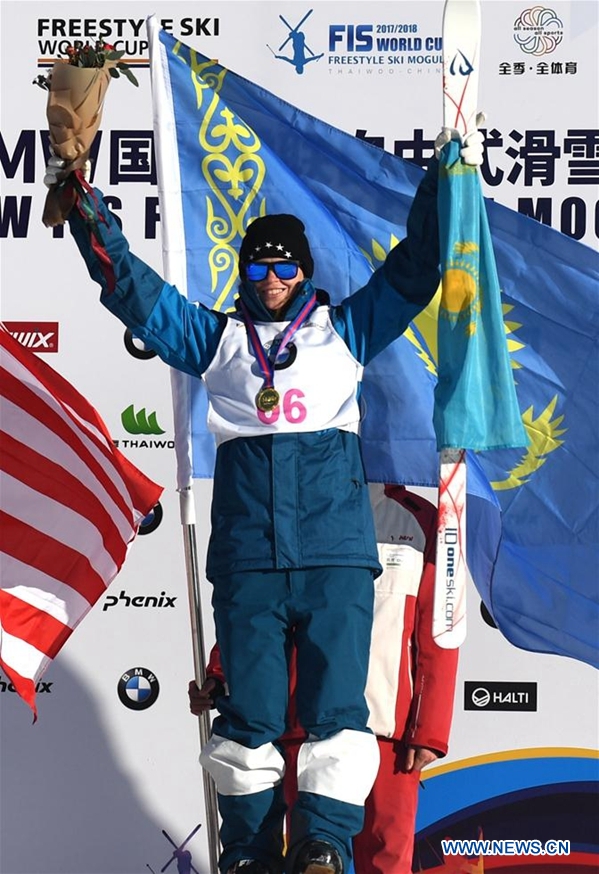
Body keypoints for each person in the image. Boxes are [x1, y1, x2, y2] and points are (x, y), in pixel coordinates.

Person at [46, 126, 482, 874]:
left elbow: (414, 273)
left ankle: (322, 845)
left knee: (336, 714)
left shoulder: (344, 332)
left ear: (303, 270)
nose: (272, 275)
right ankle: (247, 853)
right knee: (248, 717)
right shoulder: (216, 341)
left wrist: (444, 185)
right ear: (243, 270)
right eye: (258, 262)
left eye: (284, 263)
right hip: (248, 559)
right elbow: (132, 292)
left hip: (335, 557)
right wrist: (87, 210)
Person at [190, 483, 459, 874]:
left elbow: (440, 632)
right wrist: (220, 672)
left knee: (386, 860)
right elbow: (260, 604)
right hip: (308, 725)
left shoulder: (422, 519)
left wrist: (428, 729)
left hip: (386, 724)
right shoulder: (301, 503)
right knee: (311, 858)